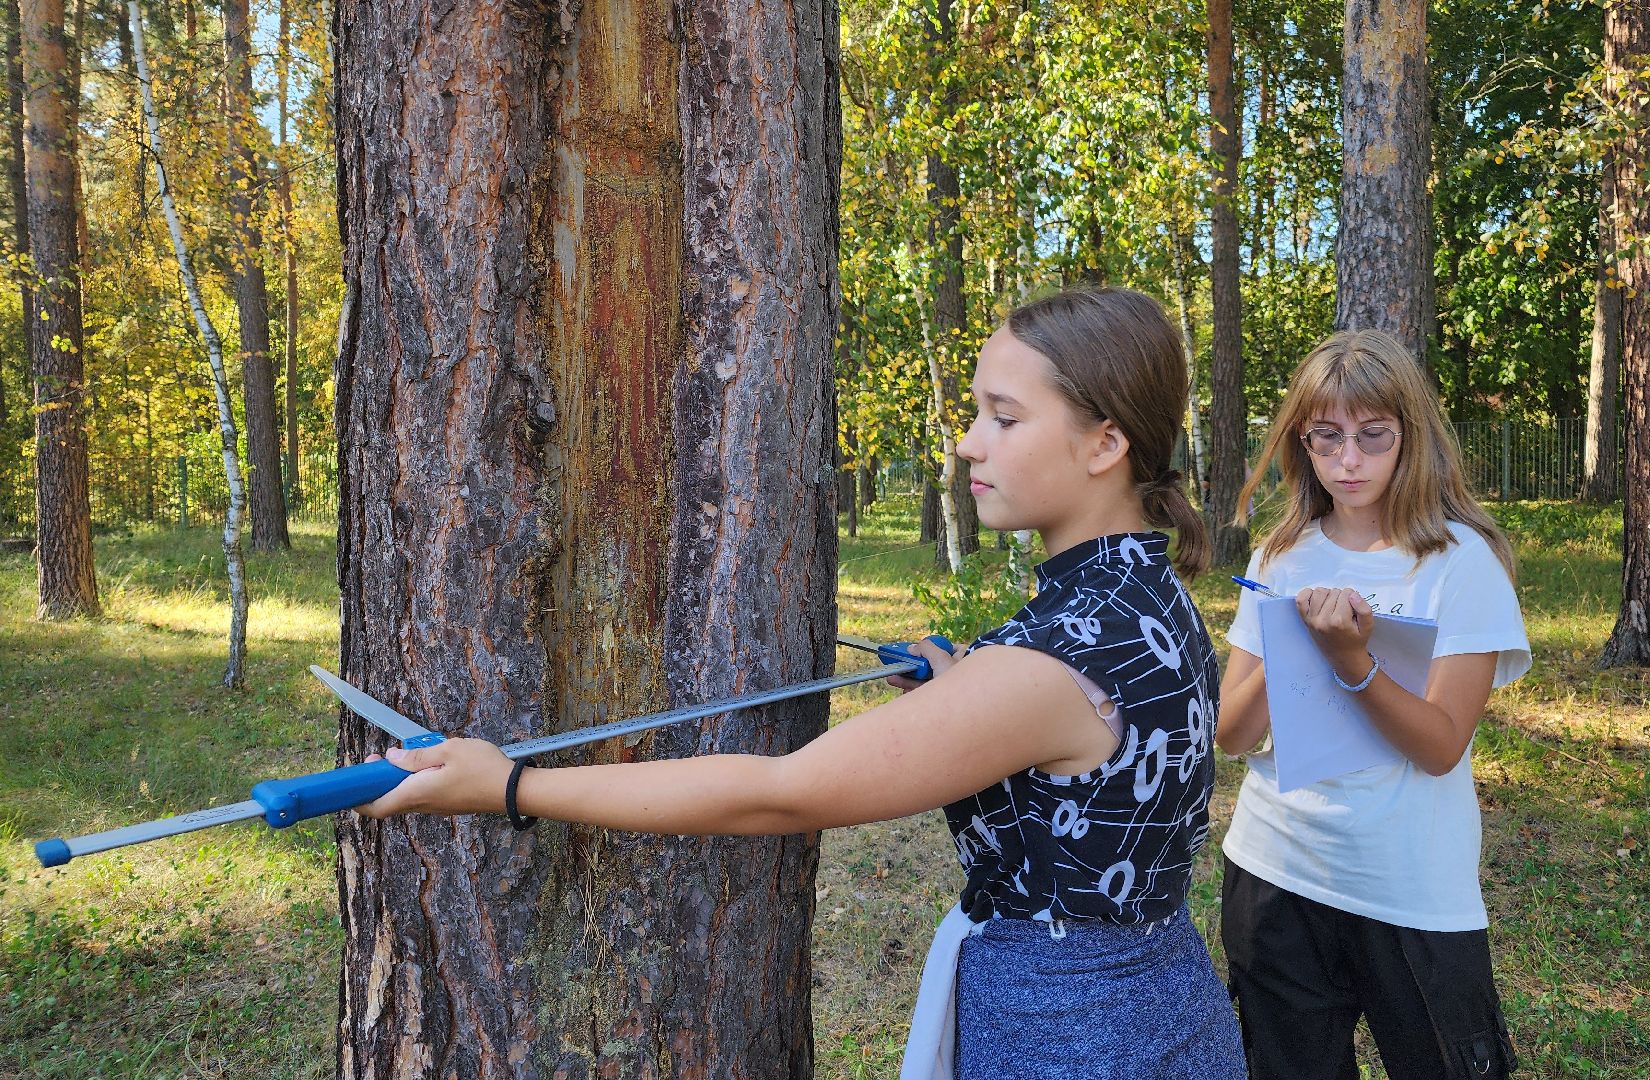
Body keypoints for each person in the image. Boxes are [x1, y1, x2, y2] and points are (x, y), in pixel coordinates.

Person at [354, 287, 1247, 1080]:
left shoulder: (1047, 660)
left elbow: (781, 795)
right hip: (1165, 1003)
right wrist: (966, 697)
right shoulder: (1153, 594)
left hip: (1072, 1040)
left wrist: (508, 783)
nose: (970, 442)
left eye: (1004, 419)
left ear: (1106, 444)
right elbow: (1096, 766)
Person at [1213, 330, 1531, 1080]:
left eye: (1371, 437)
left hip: (1408, 886)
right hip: (1275, 871)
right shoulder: (1281, 554)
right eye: (1326, 438)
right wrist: (1295, 636)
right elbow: (1232, 734)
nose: (1347, 461)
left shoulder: (1459, 562)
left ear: (1409, 436)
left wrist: (1351, 660)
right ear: (1302, 441)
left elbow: (1441, 744)